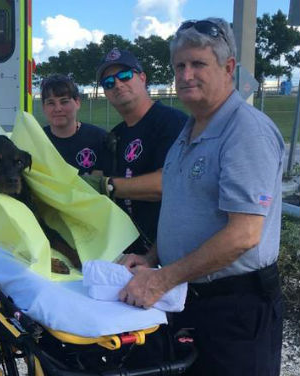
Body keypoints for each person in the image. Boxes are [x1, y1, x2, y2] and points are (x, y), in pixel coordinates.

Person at [120, 18, 284, 375]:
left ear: (227, 69)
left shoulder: (245, 132)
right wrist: (151, 259)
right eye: (180, 66)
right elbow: (184, 210)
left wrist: (161, 280)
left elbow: (244, 234)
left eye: (198, 64)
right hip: (191, 298)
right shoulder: (189, 129)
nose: (186, 75)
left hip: (237, 310)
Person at [95, 48, 187, 252]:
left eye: (125, 75)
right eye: (108, 83)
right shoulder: (114, 136)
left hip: (172, 255)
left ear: (143, 77)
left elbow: (165, 185)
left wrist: (107, 186)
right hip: (130, 254)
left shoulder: (173, 123)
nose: (117, 84)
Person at [40, 74, 108, 176]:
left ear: (77, 103)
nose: (58, 109)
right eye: (51, 103)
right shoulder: (37, 140)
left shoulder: (100, 139)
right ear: (44, 107)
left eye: (64, 102)